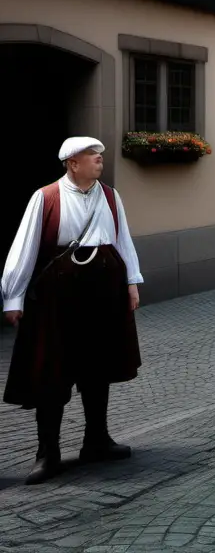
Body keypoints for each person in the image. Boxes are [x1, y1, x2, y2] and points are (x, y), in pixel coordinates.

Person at [3, 137, 142, 484]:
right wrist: (13, 297)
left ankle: (97, 440)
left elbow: (123, 238)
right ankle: (47, 453)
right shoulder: (46, 197)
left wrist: (132, 282)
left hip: (104, 292)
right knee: (53, 371)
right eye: (92, 155)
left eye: (100, 155)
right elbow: (25, 246)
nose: (99, 159)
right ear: (71, 163)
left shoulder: (110, 195)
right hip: (58, 296)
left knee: (99, 366)